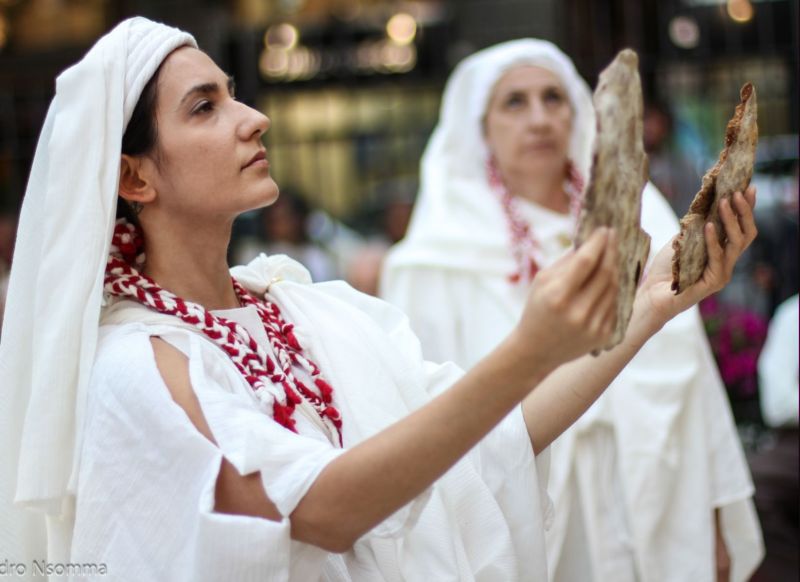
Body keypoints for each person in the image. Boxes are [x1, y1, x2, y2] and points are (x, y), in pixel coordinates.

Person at [0, 20, 756, 582]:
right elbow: (324, 513)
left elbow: (490, 438)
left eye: (233, 95)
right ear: (135, 179)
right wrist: (532, 348)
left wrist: (654, 303)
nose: (251, 117)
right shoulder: (133, 365)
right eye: (204, 107)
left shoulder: (304, 306)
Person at [381, 39, 764, 582]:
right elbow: (428, 423)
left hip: (658, 486)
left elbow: (693, 368)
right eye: (514, 102)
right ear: (479, 126)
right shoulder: (432, 259)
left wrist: (720, 507)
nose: (538, 118)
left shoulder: (637, 212)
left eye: (553, 98)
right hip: (533, 508)